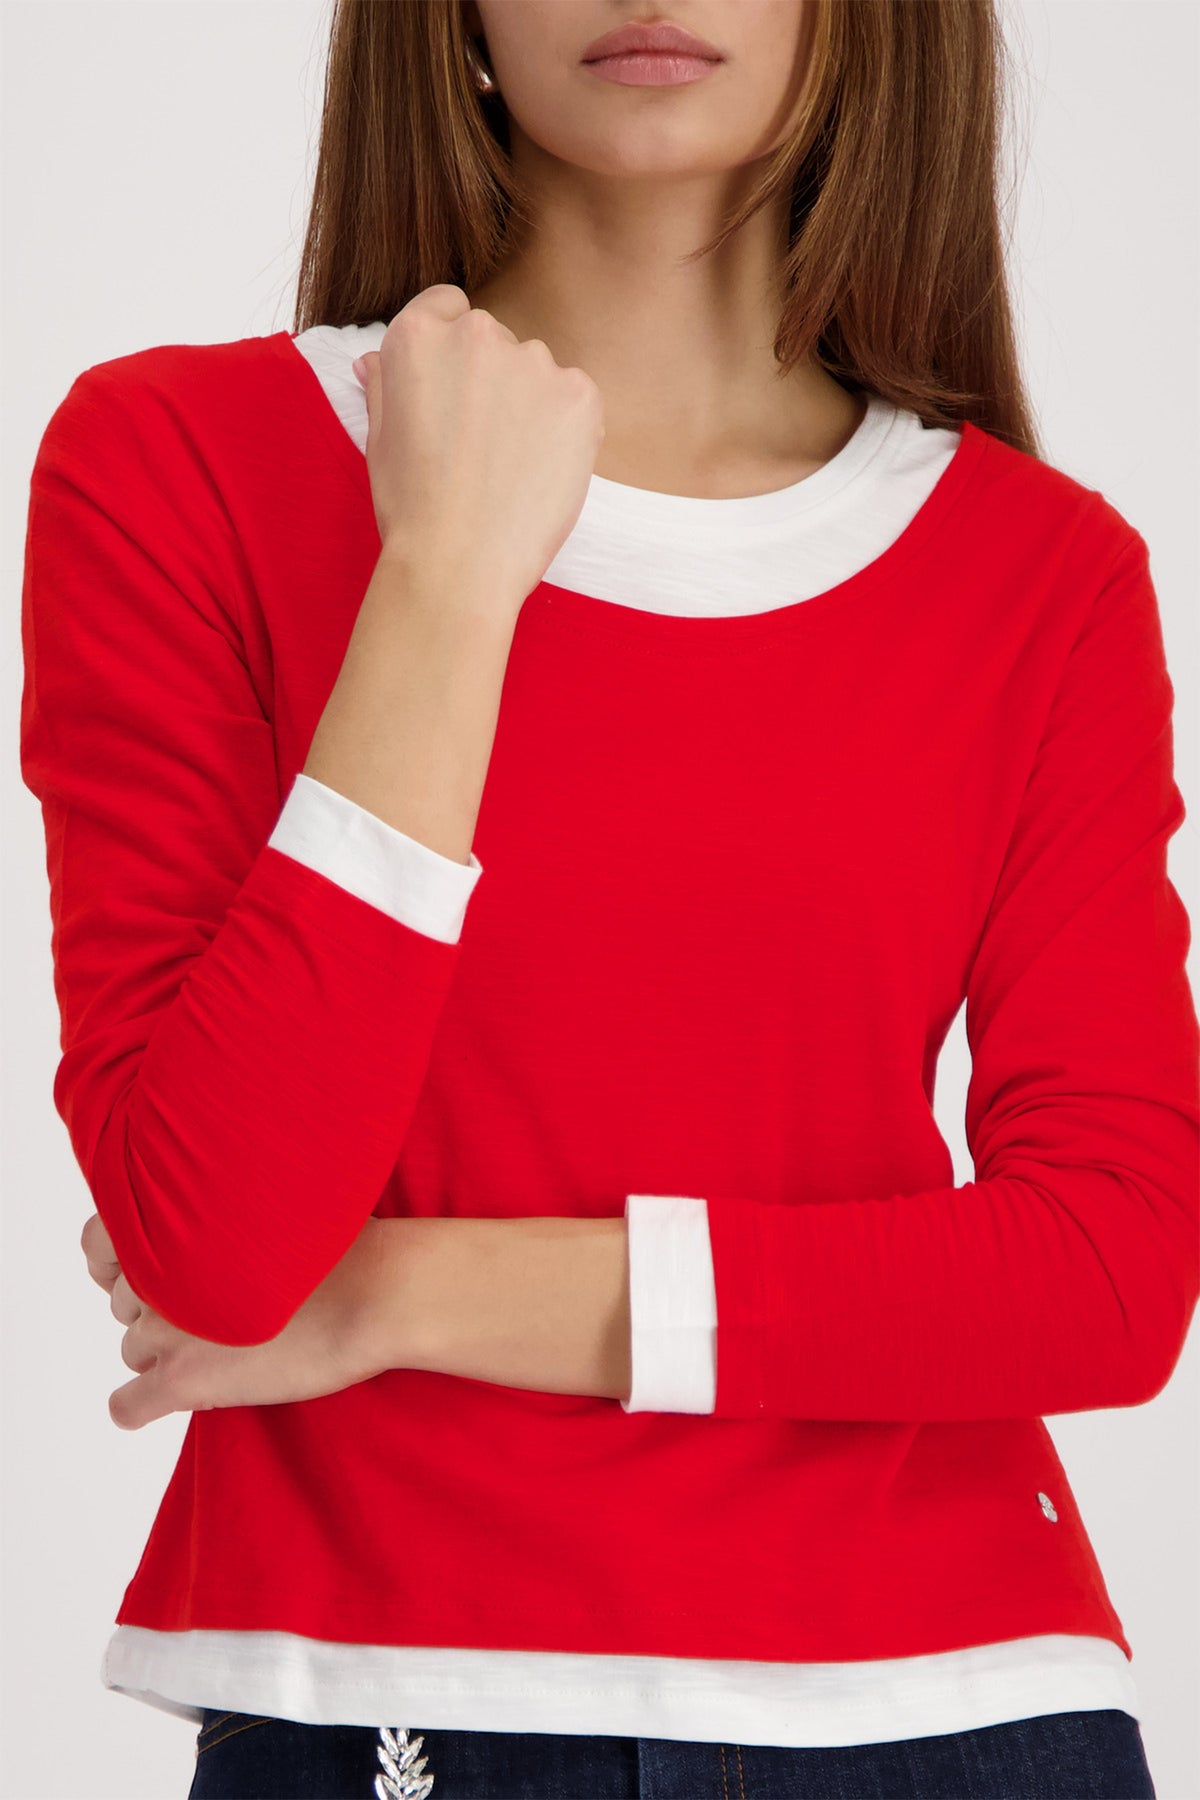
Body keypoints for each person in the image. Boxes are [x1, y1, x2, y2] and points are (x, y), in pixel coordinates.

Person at [19, 1, 1196, 1796]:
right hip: (394, 1686)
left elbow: (1107, 1273)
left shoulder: (1044, 575)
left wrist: (407, 1293)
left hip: (956, 1715)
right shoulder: (180, 463)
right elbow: (220, 1247)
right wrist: (447, 572)